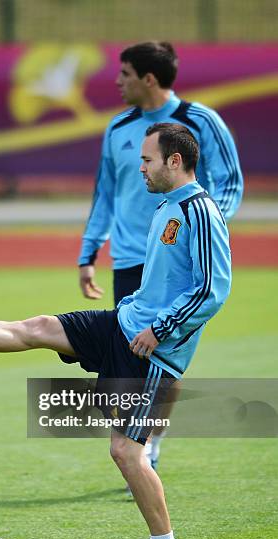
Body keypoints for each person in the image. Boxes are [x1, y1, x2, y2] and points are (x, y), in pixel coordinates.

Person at [0, 123, 231, 539]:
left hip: (151, 352)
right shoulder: (166, 206)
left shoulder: (200, 211)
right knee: (36, 328)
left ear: (175, 161)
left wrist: (161, 328)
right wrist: (136, 310)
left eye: (148, 160)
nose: (141, 169)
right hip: (123, 325)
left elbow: (213, 288)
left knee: (126, 452)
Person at [78, 41, 242, 473]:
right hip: (131, 257)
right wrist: (88, 251)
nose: (117, 81)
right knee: (126, 360)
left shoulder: (201, 120)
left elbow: (230, 183)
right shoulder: (118, 128)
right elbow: (105, 193)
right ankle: (136, 437)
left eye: (125, 74)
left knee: (163, 356)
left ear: (148, 78)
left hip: (180, 260)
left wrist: (200, 231)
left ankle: (149, 440)